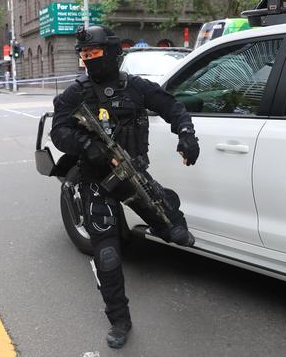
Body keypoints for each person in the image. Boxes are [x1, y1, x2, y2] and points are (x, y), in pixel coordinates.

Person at [51, 25, 200, 349]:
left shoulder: (136, 88)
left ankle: (171, 226)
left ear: (114, 53)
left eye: (96, 54)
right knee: (106, 254)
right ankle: (120, 319)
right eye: (85, 56)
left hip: (133, 174)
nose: (91, 61)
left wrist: (186, 134)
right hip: (95, 179)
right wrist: (83, 144)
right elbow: (58, 131)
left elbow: (172, 106)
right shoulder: (76, 93)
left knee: (176, 231)